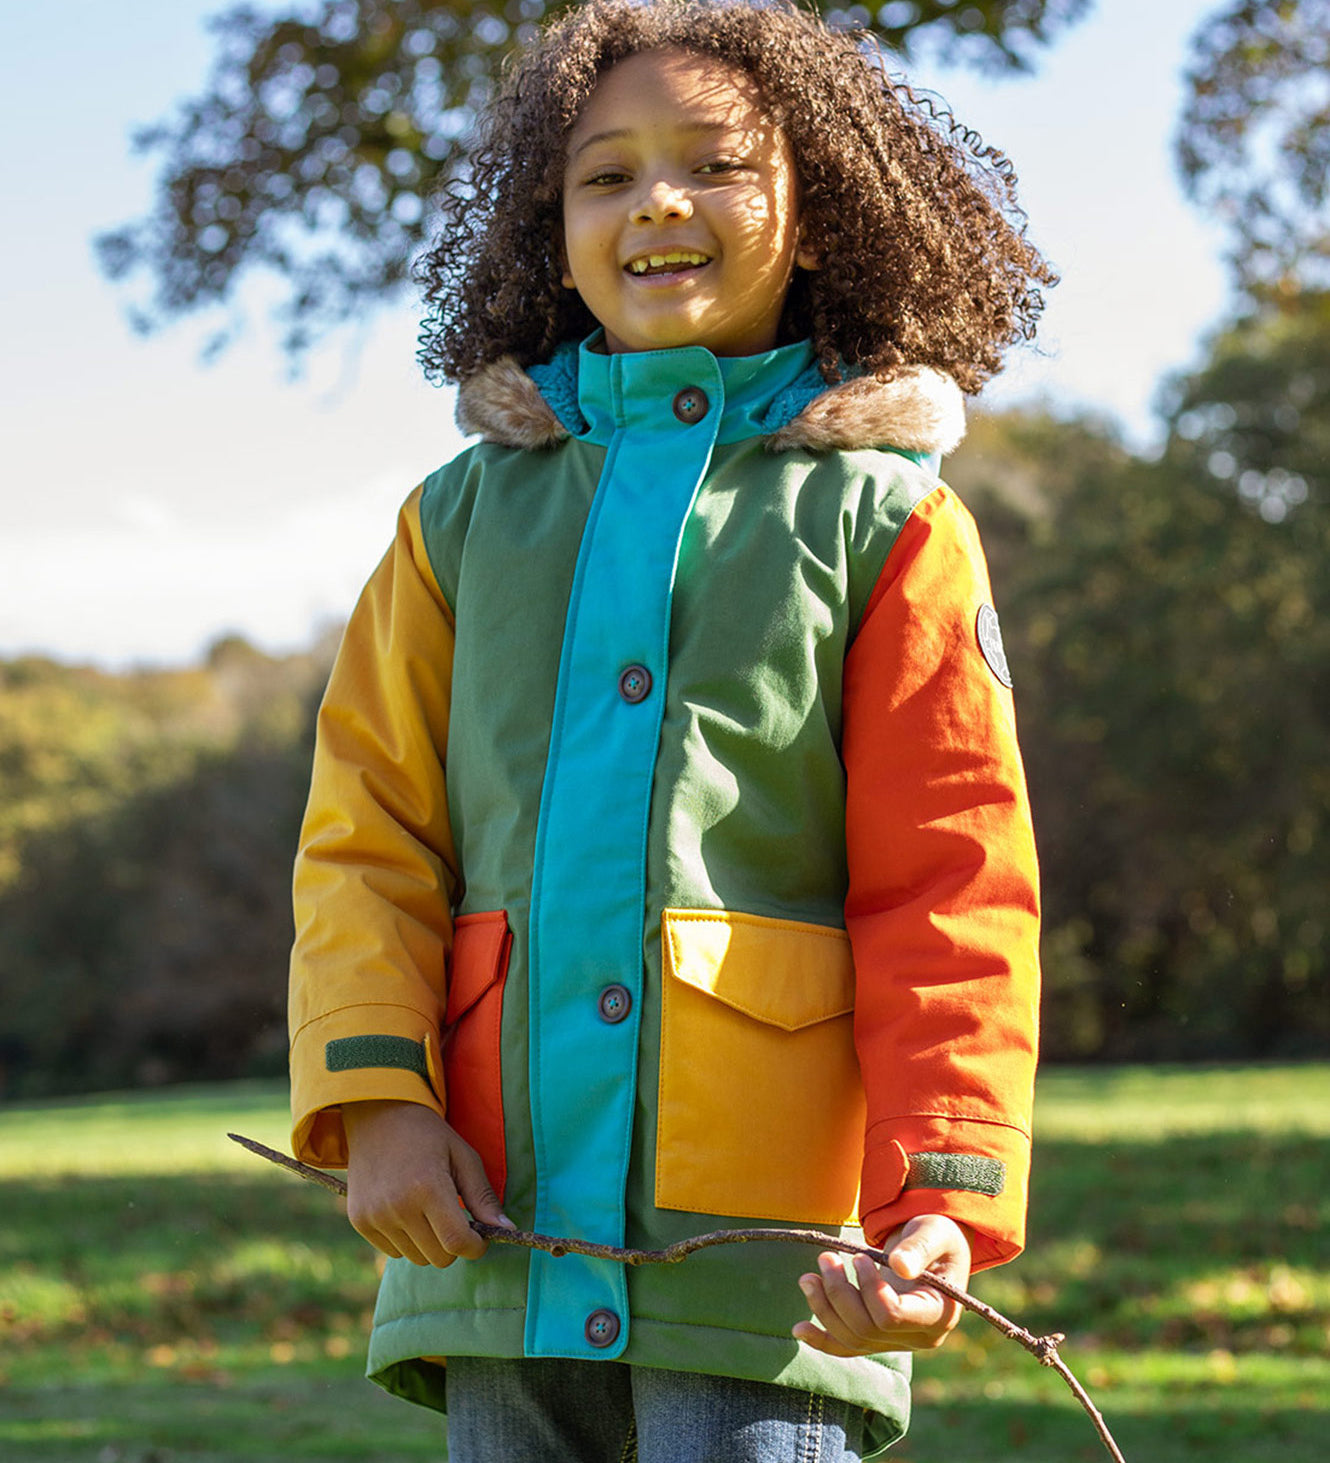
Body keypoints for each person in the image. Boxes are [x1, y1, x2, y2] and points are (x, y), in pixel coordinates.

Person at [287, 2, 1049, 1458]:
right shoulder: (457, 519)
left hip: (770, 1265)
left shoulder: (885, 521)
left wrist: (939, 1194)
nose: (658, 202)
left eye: (715, 165)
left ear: (818, 217)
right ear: (549, 228)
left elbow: (948, 884)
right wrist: (376, 1100)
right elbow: (364, 836)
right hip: (492, 1235)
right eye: (606, 174)